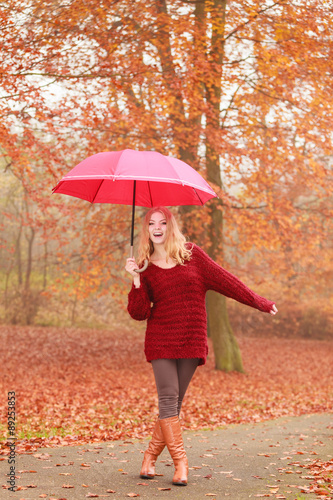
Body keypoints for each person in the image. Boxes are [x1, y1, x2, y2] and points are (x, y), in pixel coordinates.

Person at [125, 206, 278, 487]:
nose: (157, 228)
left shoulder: (191, 254)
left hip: (192, 338)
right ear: (146, 230)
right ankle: (181, 463)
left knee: (175, 403)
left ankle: (148, 458)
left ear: (171, 227)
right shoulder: (144, 266)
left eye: (162, 223)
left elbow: (228, 282)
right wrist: (135, 280)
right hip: (160, 338)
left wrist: (260, 302)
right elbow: (139, 313)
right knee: (169, 399)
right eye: (151, 224)